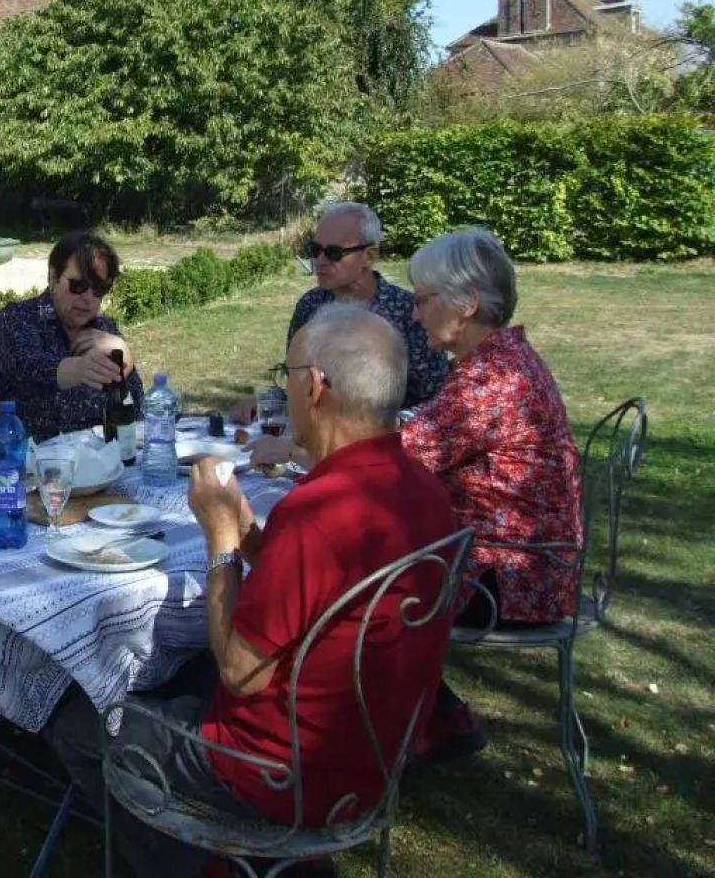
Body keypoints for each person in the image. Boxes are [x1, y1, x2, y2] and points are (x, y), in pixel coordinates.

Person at [44, 304, 458, 878]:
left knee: (76, 724)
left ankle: (208, 868)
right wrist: (246, 526)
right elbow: (324, 590)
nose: (283, 391)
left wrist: (220, 540)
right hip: (369, 758)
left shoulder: (318, 514)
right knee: (180, 670)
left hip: (274, 775)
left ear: (314, 387)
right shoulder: (422, 492)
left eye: (284, 377)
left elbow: (241, 672)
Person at [400, 227, 583, 760]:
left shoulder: (490, 380)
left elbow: (393, 460)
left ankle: (409, 723)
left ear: (467, 305)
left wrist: (307, 442)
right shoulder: (502, 361)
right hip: (534, 562)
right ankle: (435, 713)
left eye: (423, 300)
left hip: (510, 580)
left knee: (357, 578)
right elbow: (433, 432)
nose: (415, 314)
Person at [243, 202, 448, 416]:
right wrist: (265, 402)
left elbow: (437, 400)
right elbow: (300, 381)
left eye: (333, 252)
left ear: (369, 256)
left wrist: (385, 428)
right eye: (315, 250)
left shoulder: (409, 311)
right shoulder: (309, 305)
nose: (319, 261)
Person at [0, 230, 144, 454]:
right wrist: (81, 369)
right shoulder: (16, 321)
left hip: (86, 463)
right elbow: (33, 368)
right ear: (53, 277)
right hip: (3, 465)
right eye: (79, 285)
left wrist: (126, 360)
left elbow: (134, 407)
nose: (88, 298)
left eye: (99, 289)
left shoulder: (104, 331)